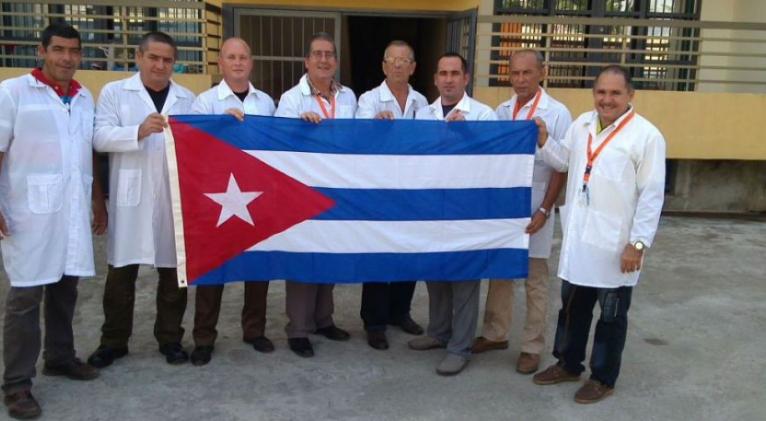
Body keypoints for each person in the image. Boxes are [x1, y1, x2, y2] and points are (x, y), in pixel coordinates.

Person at [532, 65, 666, 404]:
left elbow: (651, 196)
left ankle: (603, 378)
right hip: (580, 241)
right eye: (601, 92)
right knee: (571, 308)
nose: (607, 100)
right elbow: (564, 161)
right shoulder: (582, 124)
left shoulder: (646, 136)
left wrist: (637, 244)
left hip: (616, 247)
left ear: (630, 95)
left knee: (611, 316)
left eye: (615, 93)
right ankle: (567, 363)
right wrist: (545, 140)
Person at [0, 22, 106, 419]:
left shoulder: (83, 97)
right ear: (42, 51)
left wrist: (98, 201)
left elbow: (88, 152)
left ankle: (60, 356)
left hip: (70, 210)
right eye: (59, 49)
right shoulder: (13, 93)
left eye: (74, 50)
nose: (67, 58)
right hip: (27, 212)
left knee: (66, 287)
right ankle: (17, 383)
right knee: (25, 297)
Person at [88, 31, 196, 368]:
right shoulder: (115, 92)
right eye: (154, 58)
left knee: (173, 275)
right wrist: (137, 131)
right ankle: (113, 341)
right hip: (130, 199)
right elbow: (99, 137)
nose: (160, 65)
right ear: (139, 57)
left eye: (167, 60)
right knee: (121, 275)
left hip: (172, 199)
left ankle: (170, 339)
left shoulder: (187, 98)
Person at [472, 49, 571, 375]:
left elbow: (562, 167)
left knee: (535, 279)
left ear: (542, 72)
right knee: (500, 272)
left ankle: (532, 346)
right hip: (505, 207)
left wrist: (545, 209)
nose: (520, 79)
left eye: (527, 73)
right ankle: (495, 333)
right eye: (515, 73)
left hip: (536, 205)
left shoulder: (557, 113)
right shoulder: (501, 111)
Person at [188, 37, 276, 366]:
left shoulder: (266, 103)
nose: (238, 63)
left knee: (258, 268)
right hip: (217, 197)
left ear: (251, 63)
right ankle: (203, 337)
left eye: (243, 57)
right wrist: (218, 126)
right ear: (220, 63)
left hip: (257, 194)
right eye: (231, 57)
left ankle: (254, 330)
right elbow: (193, 145)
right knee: (213, 269)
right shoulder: (204, 103)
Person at [408, 52, 496, 376]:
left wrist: (469, 135)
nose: (448, 79)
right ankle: (438, 332)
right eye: (443, 73)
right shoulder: (422, 115)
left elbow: (495, 161)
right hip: (432, 208)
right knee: (435, 275)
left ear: (466, 78)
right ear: (435, 79)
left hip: (467, 211)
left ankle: (460, 347)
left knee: (464, 279)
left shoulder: (484, 115)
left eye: (455, 73)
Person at [274, 32, 356, 358]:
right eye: (317, 54)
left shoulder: (348, 97)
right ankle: (298, 328)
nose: (324, 59)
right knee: (303, 258)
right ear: (306, 61)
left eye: (329, 54)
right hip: (302, 191)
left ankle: (323, 319)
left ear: (335, 61)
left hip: (337, 188)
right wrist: (299, 126)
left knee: (328, 254)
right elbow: (278, 143)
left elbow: (358, 138)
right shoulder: (291, 99)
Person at [355, 40, 428, 350]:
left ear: (413, 68)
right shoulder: (369, 100)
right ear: (383, 66)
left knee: (407, 250)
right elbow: (357, 139)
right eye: (392, 60)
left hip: (411, 190)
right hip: (379, 190)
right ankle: (374, 322)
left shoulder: (422, 102)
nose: (398, 65)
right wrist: (375, 127)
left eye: (404, 60)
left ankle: (401, 312)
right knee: (379, 253)